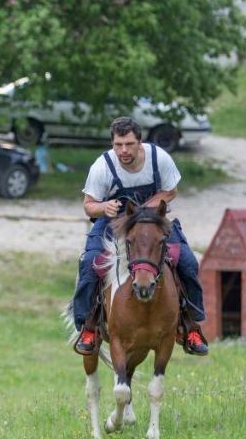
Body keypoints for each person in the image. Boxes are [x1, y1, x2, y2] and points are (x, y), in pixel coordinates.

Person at [71, 117, 208, 356]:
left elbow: (171, 191)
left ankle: (191, 325)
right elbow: (88, 206)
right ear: (112, 144)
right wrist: (104, 207)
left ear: (140, 142)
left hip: (153, 221)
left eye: (129, 144)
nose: (123, 150)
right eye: (118, 144)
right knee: (89, 263)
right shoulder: (102, 166)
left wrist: (146, 208)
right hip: (112, 222)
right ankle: (88, 325)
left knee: (187, 261)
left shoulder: (159, 158)